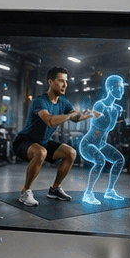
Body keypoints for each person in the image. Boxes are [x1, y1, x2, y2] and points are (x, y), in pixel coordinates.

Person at [12, 66, 100, 208]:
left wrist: (89, 114)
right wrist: (70, 115)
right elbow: (50, 120)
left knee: (70, 153)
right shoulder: (39, 101)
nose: (65, 85)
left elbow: (75, 117)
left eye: (66, 81)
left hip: (44, 142)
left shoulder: (63, 102)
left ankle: (54, 189)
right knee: (41, 152)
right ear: (50, 82)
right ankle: (25, 191)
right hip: (24, 141)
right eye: (60, 81)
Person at [80, 74, 127, 206]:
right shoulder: (99, 105)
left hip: (101, 144)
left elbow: (111, 129)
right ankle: (87, 194)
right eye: (119, 87)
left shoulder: (116, 109)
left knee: (119, 159)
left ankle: (110, 190)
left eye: (123, 88)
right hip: (87, 144)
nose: (122, 91)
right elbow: (96, 122)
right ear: (110, 88)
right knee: (100, 160)